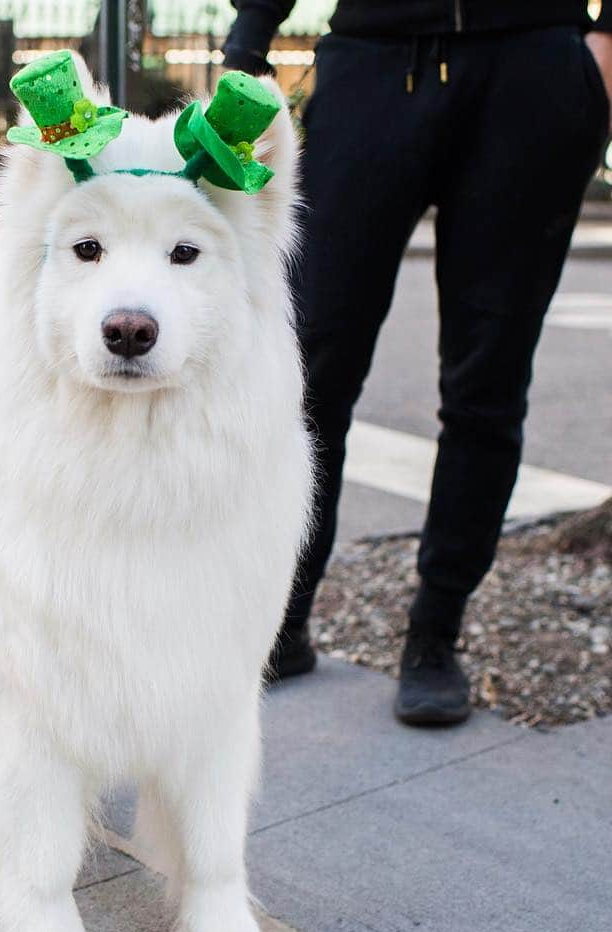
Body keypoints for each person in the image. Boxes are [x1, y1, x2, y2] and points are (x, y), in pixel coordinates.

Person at [224, 0, 612, 725]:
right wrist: (247, 42)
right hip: (373, 61)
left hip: (531, 67)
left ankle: (436, 633)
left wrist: (604, 44)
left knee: (487, 381)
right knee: (309, 370)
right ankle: (287, 613)